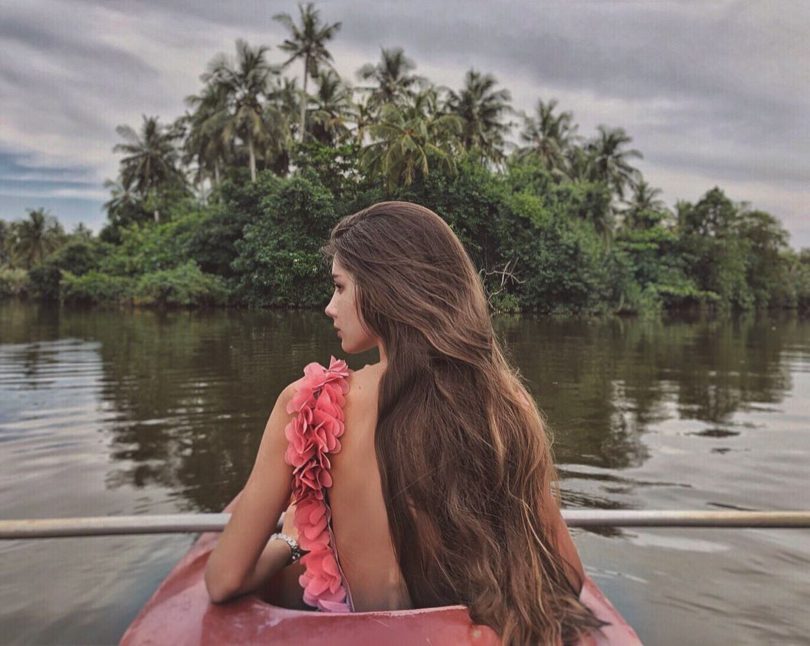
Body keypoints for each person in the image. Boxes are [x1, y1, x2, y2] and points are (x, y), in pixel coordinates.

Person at [204, 201, 604, 644]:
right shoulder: (505, 404)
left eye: (339, 287)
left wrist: (294, 539)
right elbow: (567, 577)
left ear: (384, 288)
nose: (329, 307)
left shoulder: (312, 404)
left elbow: (223, 580)